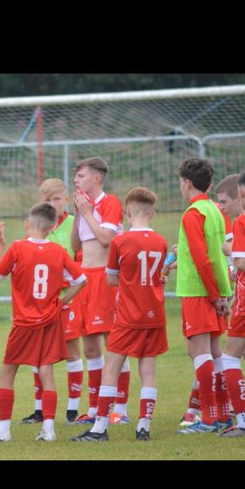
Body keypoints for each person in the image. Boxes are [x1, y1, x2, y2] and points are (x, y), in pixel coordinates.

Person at [71, 187, 168, 444]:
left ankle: (99, 428)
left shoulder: (120, 241)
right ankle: (143, 427)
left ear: (126, 212)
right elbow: (158, 278)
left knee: (111, 367)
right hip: (154, 314)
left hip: (127, 314)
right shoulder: (160, 241)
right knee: (148, 369)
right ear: (152, 213)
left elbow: (112, 279)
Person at [0, 203, 86, 443]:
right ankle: (49, 429)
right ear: (52, 228)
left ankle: (3, 430)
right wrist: (62, 302)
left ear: (27, 225)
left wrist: (0, 245)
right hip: (50, 321)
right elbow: (81, 279)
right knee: (46, 370)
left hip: (24, 322)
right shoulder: (58, 251)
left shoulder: (17, 248)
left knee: (8, 370)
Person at [18, 179, 86, 426]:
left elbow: (79, 262)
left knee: (70, 351)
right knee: (38, 355)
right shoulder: (35, 230)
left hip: (66, 299)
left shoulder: (74, 225)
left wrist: (64, 293)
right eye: (47, 200)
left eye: (57, 199)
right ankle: (38, 410)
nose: (53, 204)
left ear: (65, 199)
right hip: (40, 304)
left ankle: (72, 409)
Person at [173, 157, 233, 434]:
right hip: (216, 290)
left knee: (200, 354)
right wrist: (221, 294)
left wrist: (211, 295)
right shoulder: (214, 210)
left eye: (180, 181)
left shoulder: (193, 214)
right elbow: (216, 253)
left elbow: (202, 258)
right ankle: (221, 414)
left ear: (186, 183)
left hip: (199, 292)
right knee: (216, 352)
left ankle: (208, 419)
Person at [70, 157, 130, 424]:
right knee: (91, 348)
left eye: (81, 176)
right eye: (75, 176)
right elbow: (75, 245)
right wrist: (76, 215)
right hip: (85, 279)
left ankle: (121, 408)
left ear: (96, 178)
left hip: (104, 280)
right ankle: (95, 408)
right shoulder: (83, 206)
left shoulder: (110, 202)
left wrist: (85, 213)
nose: (75, 180)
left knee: (113, 343)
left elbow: (106, 240)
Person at [219, 167, 245, 437]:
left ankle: (243, 420)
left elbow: (240, 262)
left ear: (241, 193)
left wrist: (229, 250)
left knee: (229, 358)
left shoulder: (242, 222)